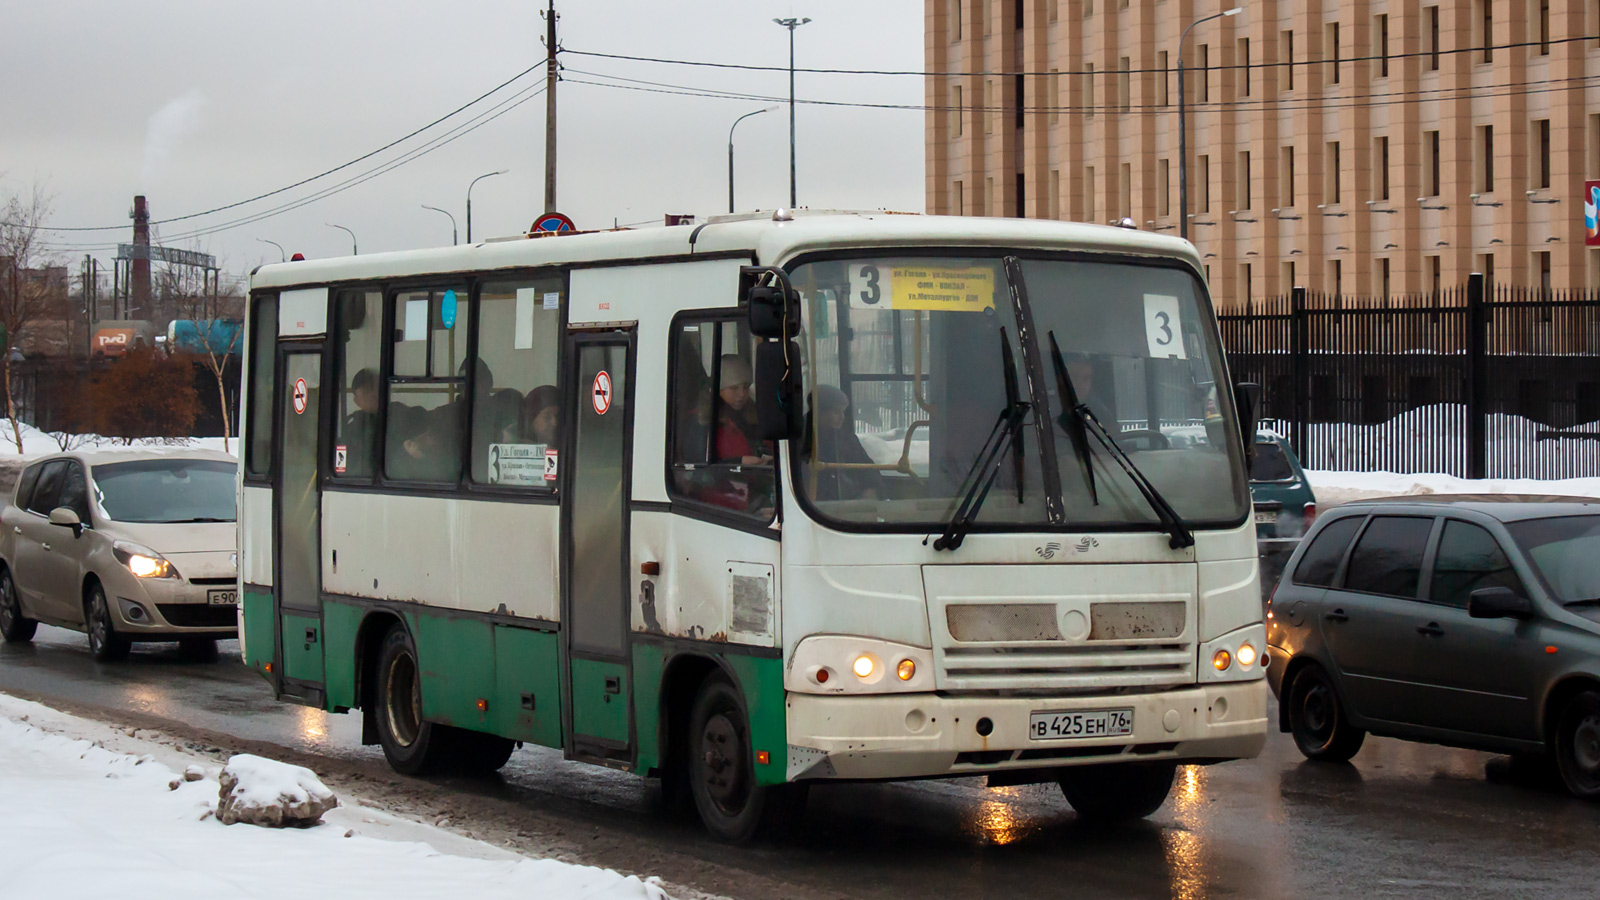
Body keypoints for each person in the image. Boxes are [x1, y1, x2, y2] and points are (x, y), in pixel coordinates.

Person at [804, 385, 883, 502]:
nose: (842, 417)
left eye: (843, 412)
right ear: (818, 411)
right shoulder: (799, 438)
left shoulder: (845, 437)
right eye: (836, 412)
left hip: (847, 501)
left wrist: (870, 488)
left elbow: (865, 465)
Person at [714, 355, 770, 465]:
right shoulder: (704, 421)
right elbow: (696, 469)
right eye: (733, 388)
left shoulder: (755, 415)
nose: (741, 395)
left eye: (746, 387)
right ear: (718, 389)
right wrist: (738, 462)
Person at [342, 368, 381, 475]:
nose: (373, 396)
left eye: (376, 389)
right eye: (366, 392)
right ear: (357, 401)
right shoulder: (351, 430)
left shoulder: (399, 412)